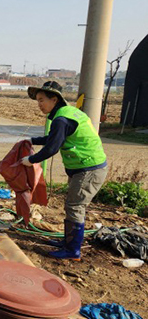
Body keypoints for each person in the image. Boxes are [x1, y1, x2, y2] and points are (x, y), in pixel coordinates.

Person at [23, 81, 107, 260]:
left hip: (88, 168)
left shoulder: (61, 119)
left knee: (75, 206)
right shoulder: (67, 114)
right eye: (37, 100)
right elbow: (54, 138)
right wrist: (32, 140)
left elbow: (52, 147)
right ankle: (67, 242)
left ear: (54, 99)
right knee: (72, 205)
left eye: (41, 100)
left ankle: (72, 250)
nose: (39, 104)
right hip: (84, 167)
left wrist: (30, 160)